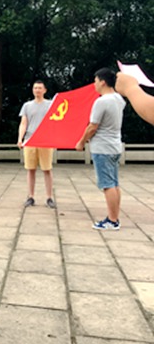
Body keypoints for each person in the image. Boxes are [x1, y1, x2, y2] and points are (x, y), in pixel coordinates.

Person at [76, 68, 126, 230]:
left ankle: (112, 220)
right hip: (115, 146)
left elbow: (93, 126)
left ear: (103, 82)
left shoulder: (102, 101)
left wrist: (81, 142)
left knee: (107, 185)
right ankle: (115, 217)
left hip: (102, 147)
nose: (94, 84)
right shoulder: (119, 99)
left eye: (96, 81)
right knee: (114, 183)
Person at [17, 80, 56, 208]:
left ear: (44, 90)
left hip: (45, 140)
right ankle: (31, 196)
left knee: (47, 169)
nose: (37, 90)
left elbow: (56, 122)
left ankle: (49, 197)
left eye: (39, 88)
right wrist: (20, 138)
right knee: (30, 169)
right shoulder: (27, 106)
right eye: (35, 88)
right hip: (30, 139)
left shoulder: (50, 105)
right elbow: (23, 123)